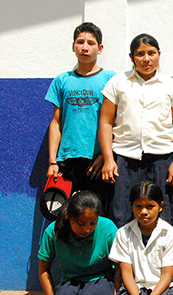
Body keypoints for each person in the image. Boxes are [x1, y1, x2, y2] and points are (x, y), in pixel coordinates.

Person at [100, 33, 173, 228]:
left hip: (162, 158)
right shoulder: (118, 83)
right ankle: (124, 258)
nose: (146, 59)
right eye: (140, 54)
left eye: (151, 53)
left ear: (159, 54)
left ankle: (165, 258)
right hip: (125, 158)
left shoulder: (170, 85)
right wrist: (108, 159)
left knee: (165, 215)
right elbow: (105, 122)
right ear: (132, 57)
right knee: (122, 213)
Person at [45, 22, 115, 207]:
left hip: (98, 162)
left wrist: (106, 156)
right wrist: (53, 161)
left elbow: (117, 122)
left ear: (100, 49)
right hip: (67, 160)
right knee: (67, 217)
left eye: (91, 43)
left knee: (96, 215)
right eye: (80, 42)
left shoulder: (111, 79)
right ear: (73, 46)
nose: (85, 47)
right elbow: (56, 122)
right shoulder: (62, 80)